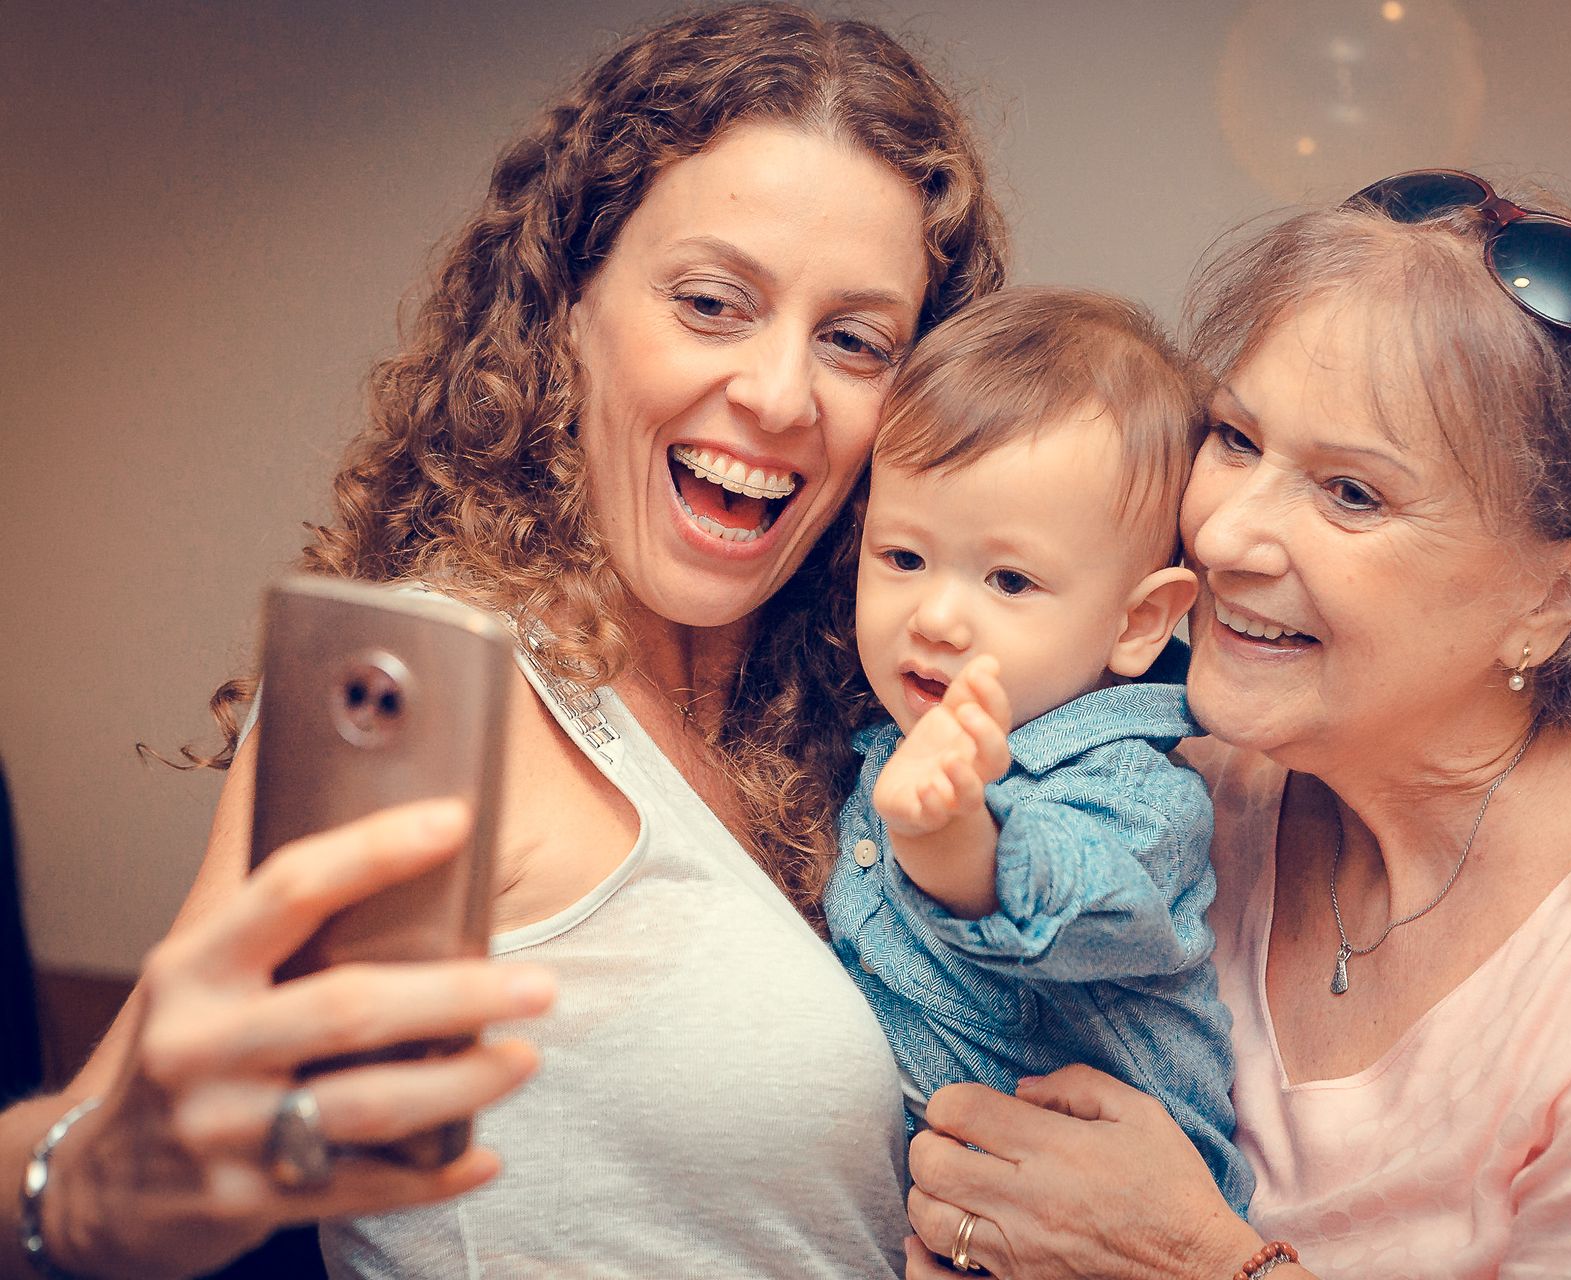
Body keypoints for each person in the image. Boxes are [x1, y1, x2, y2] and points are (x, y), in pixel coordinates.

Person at [1, 6, 1005, 1278]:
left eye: (854, 341)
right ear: (567, 309)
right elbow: (100, 1139)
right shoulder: (450, 699)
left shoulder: (852, 744)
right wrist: (83, 1185)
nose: (778, 393)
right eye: (711, 303)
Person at [899, 172, 1571, 1278]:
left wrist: (1190, 1263)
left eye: (1352, 493)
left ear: (1558, 591)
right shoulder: (1198, 765)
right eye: (1236, 438)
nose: (1225, 536)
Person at [826, 287, 1253, 1217]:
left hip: (1113, 1223)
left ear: (1137, 622)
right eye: (902, 558)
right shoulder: (883, 737)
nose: (936, 617)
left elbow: (1095, 898)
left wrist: (959, 845)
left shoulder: (1137, 788)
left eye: (1010, 580)